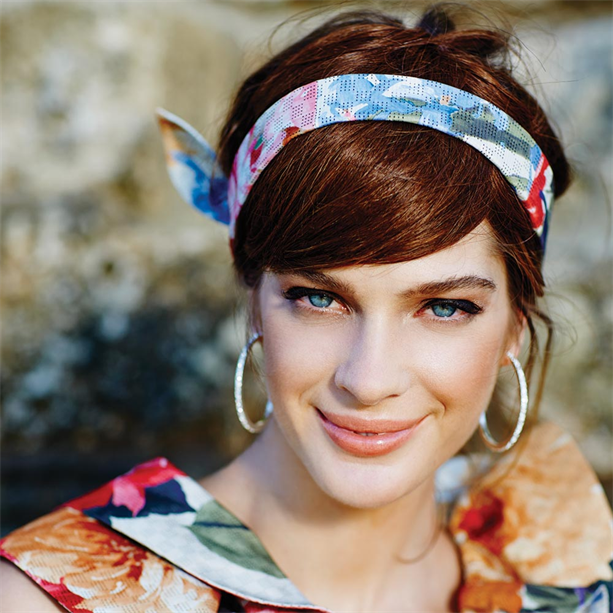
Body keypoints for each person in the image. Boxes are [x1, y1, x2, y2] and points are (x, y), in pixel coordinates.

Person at [1, 6, 612, 613]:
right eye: (320, 298)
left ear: (514, 326)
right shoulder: (47, 599)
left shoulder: (568, 563)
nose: (368, 381)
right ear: (254, 301)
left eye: (445, 307)